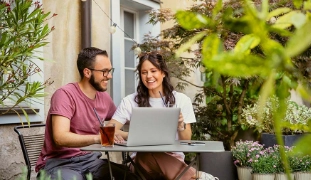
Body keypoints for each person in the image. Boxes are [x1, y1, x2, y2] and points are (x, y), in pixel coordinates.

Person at [108, 51, 218, 180]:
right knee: (146, 154)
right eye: (144, 72)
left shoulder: (181, 100)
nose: (149, 76)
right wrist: (132, 136)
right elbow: (107, 132)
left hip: (174, 160)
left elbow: (186, 140)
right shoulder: (130, 101)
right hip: (141, 163)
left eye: (153, 71)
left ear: (163, 72)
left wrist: (180, 125)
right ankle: (195, 175)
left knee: (156, 155)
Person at [35, 47, 138, 180]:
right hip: (60, 163)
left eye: (110, 71)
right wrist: (98, 138)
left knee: (131, 177)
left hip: (92, 161)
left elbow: (117, 123)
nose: (110, 76)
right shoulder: (65, 95)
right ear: (87, 72)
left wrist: (135, 133)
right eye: (104, 71)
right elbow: (60, 138)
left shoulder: (104, 98)